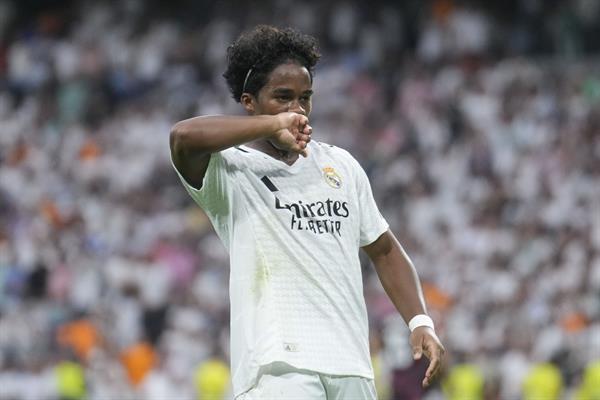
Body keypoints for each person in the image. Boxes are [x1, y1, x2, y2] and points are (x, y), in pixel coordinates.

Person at [170, 25, 445, 399]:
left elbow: (384, 249)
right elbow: (182, 137)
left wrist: (419, 320)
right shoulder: (230, 169)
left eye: (305, 98)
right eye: (282, 97)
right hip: (278, 370)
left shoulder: (341, 165)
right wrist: (273, 125)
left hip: (352, 366)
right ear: (249, 102)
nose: (296, 110)